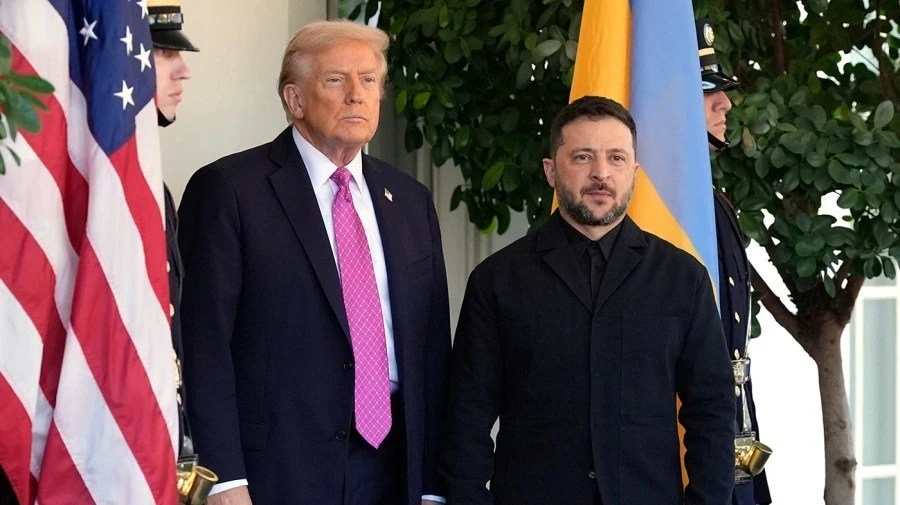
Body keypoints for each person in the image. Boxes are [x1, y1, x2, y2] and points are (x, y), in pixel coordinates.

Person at [177, 20, 451, 505]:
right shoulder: (229, 190)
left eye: (369, 80)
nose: (356, 95)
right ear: (295, 99)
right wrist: (223, 477)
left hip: (393, 469)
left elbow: (430, 348)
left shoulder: (410, 199)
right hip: (275, 470)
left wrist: (432, 485)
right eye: (335, 79)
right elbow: (204, 344)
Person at [439, 96, 735, 505]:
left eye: (616, 158)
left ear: (634, 172)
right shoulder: (498, 280)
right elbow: (466, 416)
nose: (601, 173)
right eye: (582, 157)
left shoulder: (683, 279)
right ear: (550, 171)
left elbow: (712, 411)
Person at [697, 18, 772, 505]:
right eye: (706, 91)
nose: (724, 103)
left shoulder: (714, 203)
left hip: (728, 420)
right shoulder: (656, 211)